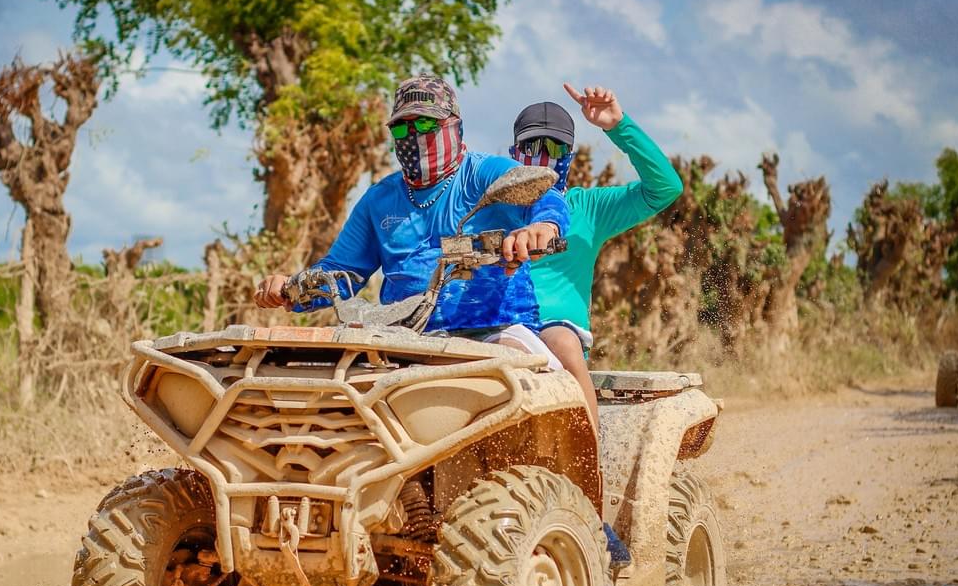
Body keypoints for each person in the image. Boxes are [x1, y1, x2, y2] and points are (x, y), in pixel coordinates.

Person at [255, 74, 570, 351]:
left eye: (425, 124)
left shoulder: (485, 172)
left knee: (521, 376)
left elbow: (545, 196)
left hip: (496, 332)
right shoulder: (379, 200)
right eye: (402, 128)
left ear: (455, 126)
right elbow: (342, 272)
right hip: (405, 340)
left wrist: (544, 225)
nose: (413, 135)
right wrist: (292, 287)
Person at [509, 84, 684, 431]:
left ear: (569, 157)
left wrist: (618, 126)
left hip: (554, 333)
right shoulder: (489, 207)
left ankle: (592, 462)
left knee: (561, 342)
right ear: (515, 153)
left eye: (554, 146)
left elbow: (666, 188)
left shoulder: (588, 208)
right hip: (497, 325)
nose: (542, 155)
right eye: (532, 146)